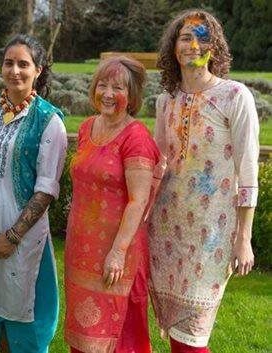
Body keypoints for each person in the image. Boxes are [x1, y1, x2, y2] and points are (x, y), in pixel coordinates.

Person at [149, 10, 259, 353]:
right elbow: (158, 163)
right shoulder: (165, 101)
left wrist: (244, 238)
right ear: (174, 46)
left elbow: (248, 169)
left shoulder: (234, 96)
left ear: (215, 47)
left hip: (212, 234)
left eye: (202, 37)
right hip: (166, 228)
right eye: (185, 37)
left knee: (193, 335)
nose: (193, 45)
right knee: (177, 335)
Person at [0, 34, 67, 353]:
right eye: (9, 63)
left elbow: (46, 188)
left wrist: (14, 235)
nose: (15, 71)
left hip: (23, 237)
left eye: (24, 64)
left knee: (19, 317)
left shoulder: (49, 120)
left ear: (38, 70)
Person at [63, 55, 160, 353]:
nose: (107, 93)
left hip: (118, 254)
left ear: (131, 96)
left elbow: (139, 200)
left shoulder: (136, 137)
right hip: (81, 250)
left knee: (119, 336)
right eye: (101, 85)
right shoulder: (87, 127)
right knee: (84, 331)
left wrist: (117, 253)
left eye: (117, 88)